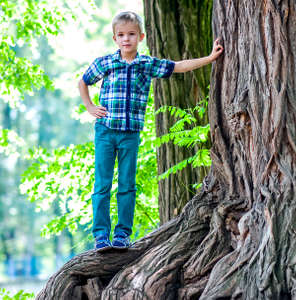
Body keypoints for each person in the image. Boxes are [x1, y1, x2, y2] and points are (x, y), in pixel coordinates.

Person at [78, 11, 223, 252]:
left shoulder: (146, 65)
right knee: (102, 185)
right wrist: (90, 106)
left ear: (141, 37)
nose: (126, 39)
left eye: (131, 34)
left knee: (126, 184)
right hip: (105, 131)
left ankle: (122, 234)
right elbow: (83, 81)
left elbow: (178, 67)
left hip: (130, 134)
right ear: (115, 38)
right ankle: (101, 235)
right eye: (121, 35)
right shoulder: (105, 63)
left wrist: (209, 58)